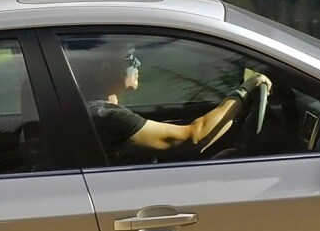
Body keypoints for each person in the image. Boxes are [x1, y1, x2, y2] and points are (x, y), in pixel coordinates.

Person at [80, 45, 273, 157]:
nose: (138, 63)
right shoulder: (105, 117)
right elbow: (194, 137)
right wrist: (245, 90)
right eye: (130, 59)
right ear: (105, 69)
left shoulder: (94, 110)